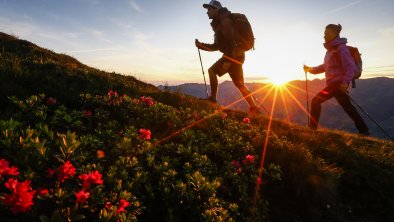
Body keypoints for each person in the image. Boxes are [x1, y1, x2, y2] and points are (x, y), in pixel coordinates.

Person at [195, 0, 261, 114]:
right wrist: (202, 45)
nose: (207, 12)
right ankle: (254, 108)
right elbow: (221, 44)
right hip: (238, 56)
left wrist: (228, 60)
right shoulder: (223, 20)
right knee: (239, 84)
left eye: (209, 9)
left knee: (212, 71)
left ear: (216, 9)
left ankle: (213, 99)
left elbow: (225, 43)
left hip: (232, 56)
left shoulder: (223, 21)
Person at [303, 24, 369, 135]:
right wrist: (310, 69)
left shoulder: (341, 48)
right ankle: (364, 130)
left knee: (316, 101)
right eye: (324, 33)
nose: (324, 36)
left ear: (335, 34)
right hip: (336, 84)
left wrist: (344, 83)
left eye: (327, 33)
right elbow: (325, 66)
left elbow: (350, 67)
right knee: (348, 107)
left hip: (337, 84)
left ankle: (312, 129)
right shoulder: (330, 50)